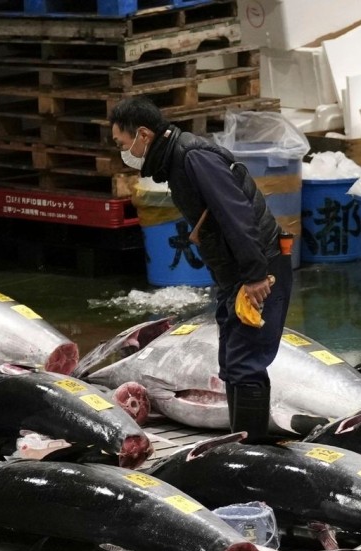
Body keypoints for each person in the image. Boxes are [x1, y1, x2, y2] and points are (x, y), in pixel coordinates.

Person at [110, 96, 291, 441]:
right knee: (234, 360)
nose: (123, 152)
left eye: (123, 143)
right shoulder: (178, 160)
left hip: (259, 267)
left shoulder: (193, 157)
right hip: (238, 272)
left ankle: (249, 451)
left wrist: (254, 275)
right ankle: (248, 442)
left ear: (143, 135)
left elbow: (234, 213)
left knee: (245, 360)